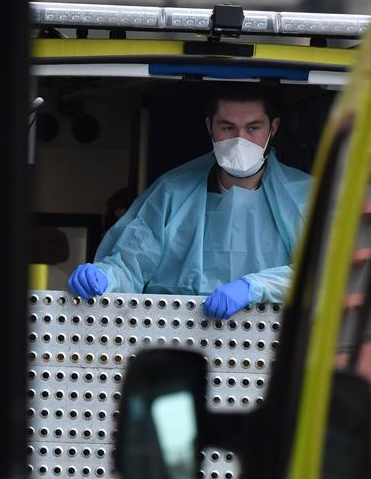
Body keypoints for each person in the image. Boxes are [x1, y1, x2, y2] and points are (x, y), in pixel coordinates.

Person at [67, 85, 311, 318]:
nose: (240, 140)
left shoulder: (308, 196)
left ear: (274, 127)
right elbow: (130, 264)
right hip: (174, 339)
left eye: (253, 128)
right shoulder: (171, 191)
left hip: (271, 347)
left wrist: (254, 287)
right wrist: (104, 276)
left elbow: (327, 273)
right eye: (227, 128)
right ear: (209, 127)